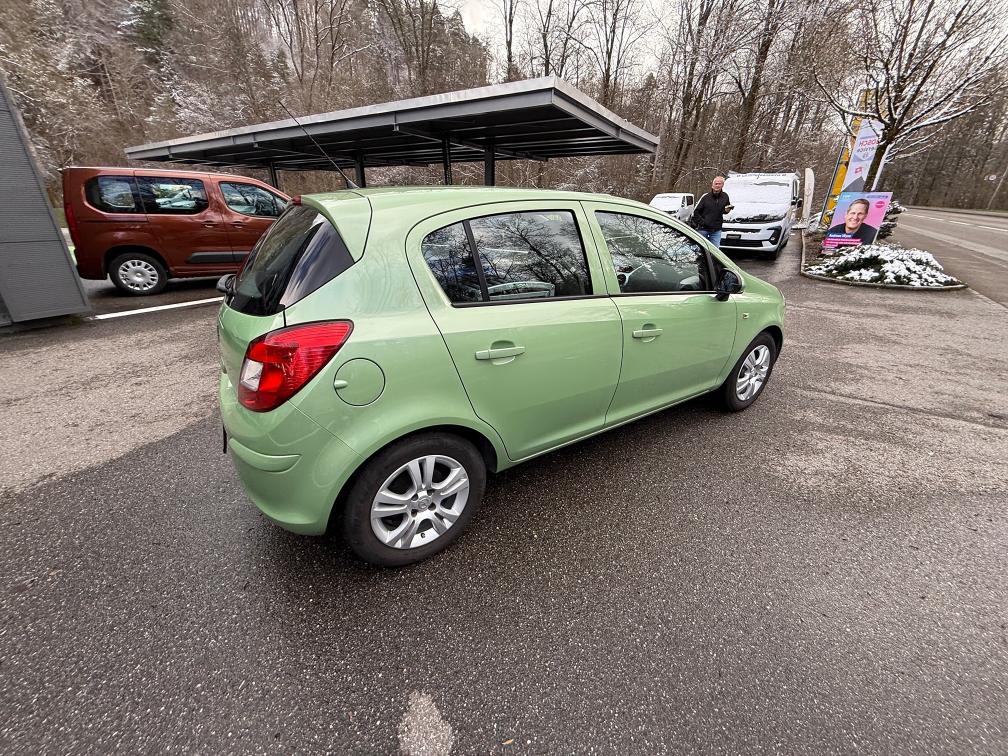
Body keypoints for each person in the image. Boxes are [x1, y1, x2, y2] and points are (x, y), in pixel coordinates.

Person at [691, 176, 733, 247]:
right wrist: (703, 222)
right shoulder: (705, 197)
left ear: (722, 185)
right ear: (712, 185)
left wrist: (727, 210)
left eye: (719, 184)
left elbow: (724, 210)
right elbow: (696, 212)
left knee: (715, 250)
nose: (717, 185)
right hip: (703, 229)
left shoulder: (725, 196)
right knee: (700, 249)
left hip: (716, 230)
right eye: (716, 183)